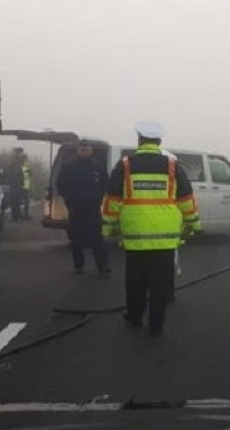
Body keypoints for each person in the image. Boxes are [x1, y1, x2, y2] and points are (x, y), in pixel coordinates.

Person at [102, 122, 200, 336]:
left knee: (135, 281)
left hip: (135, 236)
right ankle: (156, 325)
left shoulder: (125, 165)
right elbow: (186, 198)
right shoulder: (173, 166)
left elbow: (113, 200)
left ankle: (135, 316)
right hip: (166, 238)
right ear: (159, 142)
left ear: (139, 140)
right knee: (160, 284)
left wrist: (109, 228)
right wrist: (192, 223)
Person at [57, 142, 110, 275]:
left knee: (97, 237)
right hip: (76, 207)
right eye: (82, 149)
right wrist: (69, 201)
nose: (84, 152)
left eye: (86, 149)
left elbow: (105, 184)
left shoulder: (98, 166)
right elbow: (61, 184)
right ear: (78, 151)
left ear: (91, 151)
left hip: (93, 207)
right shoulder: (69, 167)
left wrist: (99, 199)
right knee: (76, 238)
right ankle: (78, 265)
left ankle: (102, 266)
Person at [7, 148, 26, 222]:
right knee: (14, 200)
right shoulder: (15, 160)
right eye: (16, 152)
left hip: (18, 183)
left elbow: (18, 171)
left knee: (17, 200)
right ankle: (15, 216)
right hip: (15, 182)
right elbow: (10, 169)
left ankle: (17, 216)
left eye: (17, 152)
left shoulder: (20, 161)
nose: (16, 153)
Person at [20, 155, 33, 220]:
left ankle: (24, 215)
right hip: (23, 186)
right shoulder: (23, 165)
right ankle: (24, 215)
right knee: (25, 201)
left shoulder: (25, 165)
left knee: (25, 201)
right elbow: (26, 174)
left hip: (25, 185)